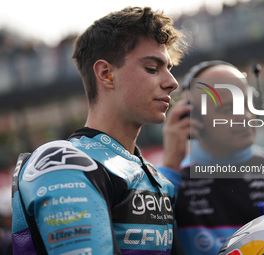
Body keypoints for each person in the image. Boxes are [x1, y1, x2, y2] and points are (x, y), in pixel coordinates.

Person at [11, 6, 187, 255]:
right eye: (152, 68)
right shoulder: (64, 164)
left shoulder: (158, 181)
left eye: (169, 68)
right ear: (106, 74)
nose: (172, 82)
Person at [159, 60, 264, 255]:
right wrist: (170, 165)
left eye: (248, 103)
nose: (245, 116)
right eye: (227, 109)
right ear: (192, 118)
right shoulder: (170, 181)